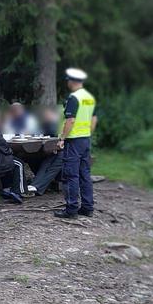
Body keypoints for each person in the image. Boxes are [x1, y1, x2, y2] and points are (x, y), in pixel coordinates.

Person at [54, 68, 98, 218]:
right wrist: (88, 134)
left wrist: (62, 139)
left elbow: (70, 120)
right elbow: (93, 119)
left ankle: (71, 209)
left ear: (72, 81)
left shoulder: (74, 98)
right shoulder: (89, 98)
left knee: (70, 175)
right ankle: (87, 207)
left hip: (73, 141)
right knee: (85, 174)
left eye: (67, 80)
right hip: (85, 140)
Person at [25, 107, 62, 195]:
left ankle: (36, 186)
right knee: (40, 160)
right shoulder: (46, 124)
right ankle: (36, 186)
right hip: (55, 151)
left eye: (48, 115)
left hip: (68, 153)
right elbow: (39, 133)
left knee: (55, 162)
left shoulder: (60, 125)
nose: (46, 117)